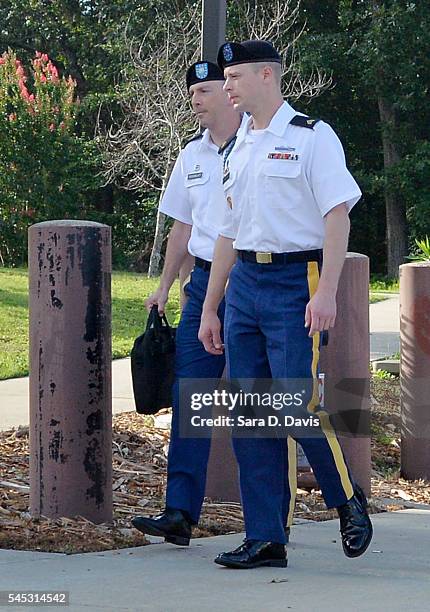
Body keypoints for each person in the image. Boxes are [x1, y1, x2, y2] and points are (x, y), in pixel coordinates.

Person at [198, 40, 373, 569]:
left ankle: (347, 501)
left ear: (267, 76)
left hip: (297, 280)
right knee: (252, 415)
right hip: (245, 284)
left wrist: (326, 293)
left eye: (235, 76)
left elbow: (337, 216)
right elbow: (227, 233)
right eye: (225, 78)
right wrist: (212, 306)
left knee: (297, 406)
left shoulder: (312, 137)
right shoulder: (237, 147)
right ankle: (266, 537)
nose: (227, 86)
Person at [131, 60, 298, 546]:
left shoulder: (264, 142)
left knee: (262, 401)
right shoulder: (191, 156)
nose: (198, 100)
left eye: (206, 90)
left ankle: (273, 520)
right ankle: (180, 512)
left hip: (252, 283)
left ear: (230, 93)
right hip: (203, 286)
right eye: (194, 94)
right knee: (192, 400)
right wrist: (165, 286)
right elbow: (182, 227)